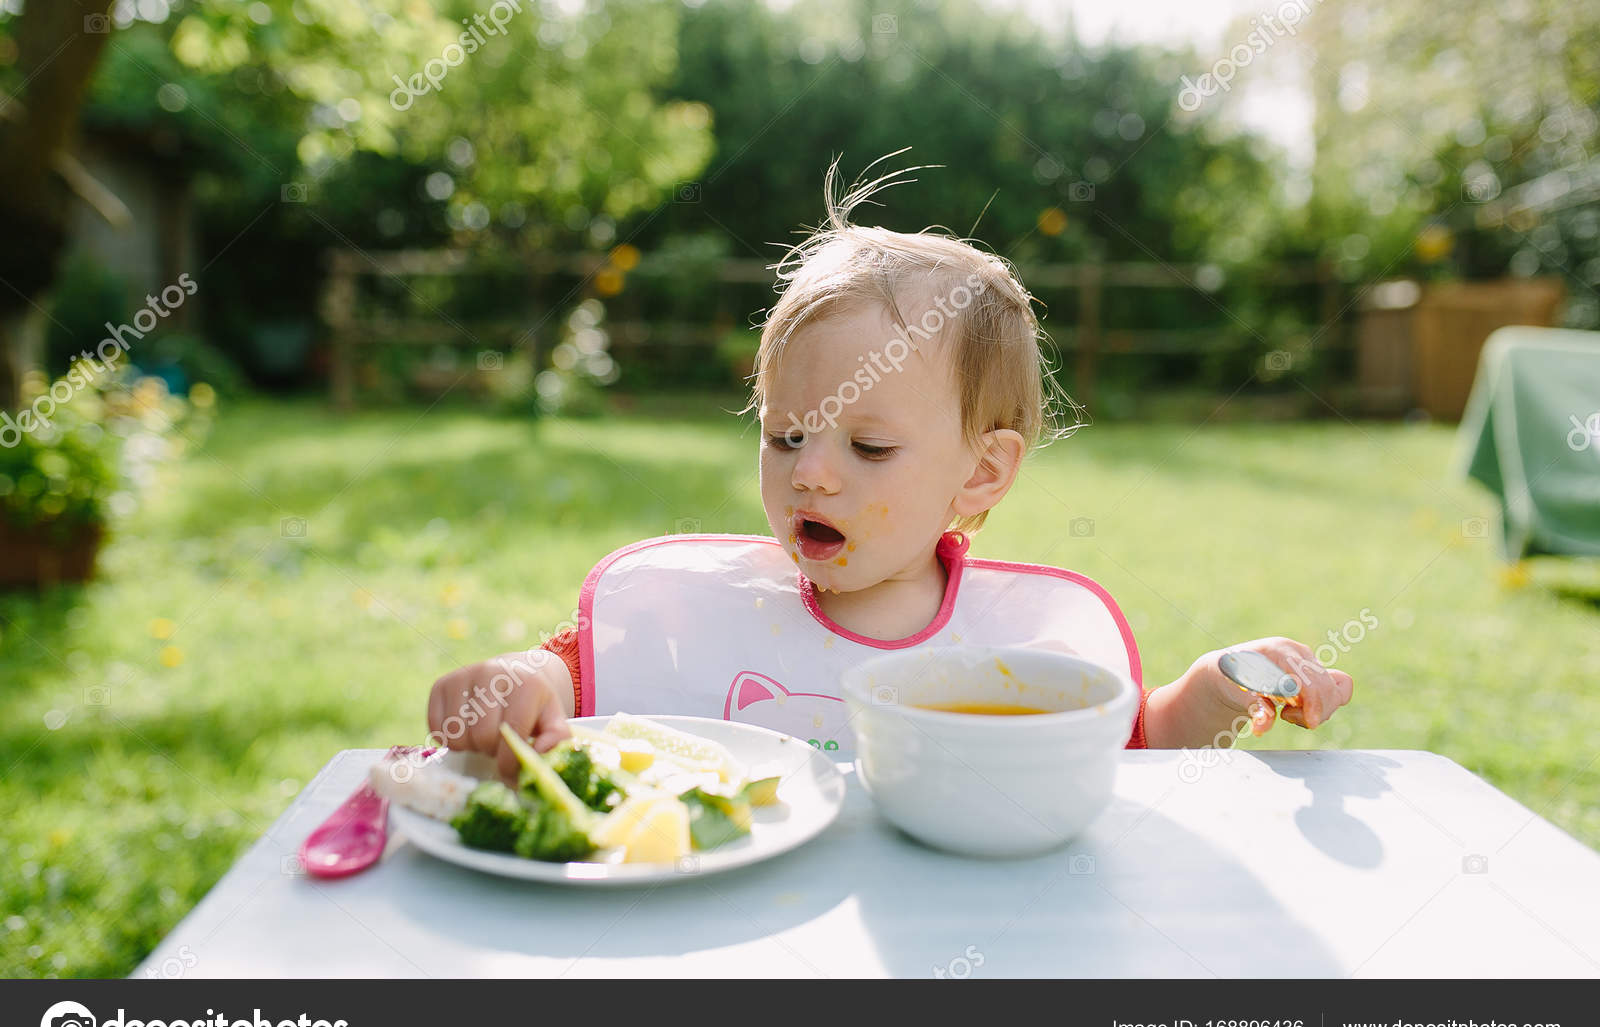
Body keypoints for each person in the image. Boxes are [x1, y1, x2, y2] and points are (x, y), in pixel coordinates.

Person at [426, 154, 1353, 782]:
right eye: (785, 435)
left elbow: (1134, 746)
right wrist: (514, 683)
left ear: (982, 474)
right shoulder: (692, 606)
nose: (812, 475)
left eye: (868, 447)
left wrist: (1219, 688)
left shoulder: (1025, 645)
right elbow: (576, 670)